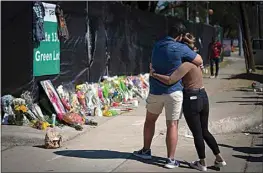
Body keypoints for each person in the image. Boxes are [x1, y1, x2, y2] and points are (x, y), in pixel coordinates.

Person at [133, 23, 203, 169]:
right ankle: (170, 160)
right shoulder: (181, 48)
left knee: (150, 121)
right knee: (172, 125)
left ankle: (146, 150)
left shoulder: (157, 45)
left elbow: (153, 64)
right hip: (174, 92)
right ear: (180, 36)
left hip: (156, 91)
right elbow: (199, 60)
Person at [149, 46, 227, 171]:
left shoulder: (186, 65)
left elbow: (170, 80)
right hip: (203, 96)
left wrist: (154, 74)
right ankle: (219, 158)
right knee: (204, 131)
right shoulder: (196, 64)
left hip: (191, 98)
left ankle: (202, 163)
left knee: (197, 133)